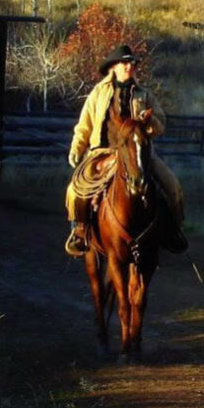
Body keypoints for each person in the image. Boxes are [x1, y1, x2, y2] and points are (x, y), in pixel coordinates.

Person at [63, 44, 188, 257]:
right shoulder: (98, 93)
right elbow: (85, 123)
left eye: (133, 63)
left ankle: (173, 232)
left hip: (137, 153)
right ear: (114, 67)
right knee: (74, 190)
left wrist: (148, 123)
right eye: (125, 63)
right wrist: (77, 148)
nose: (130, 66)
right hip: (102, 151)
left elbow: (161, 124)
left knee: (173, 187)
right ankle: (80, 231)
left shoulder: (144, 94)